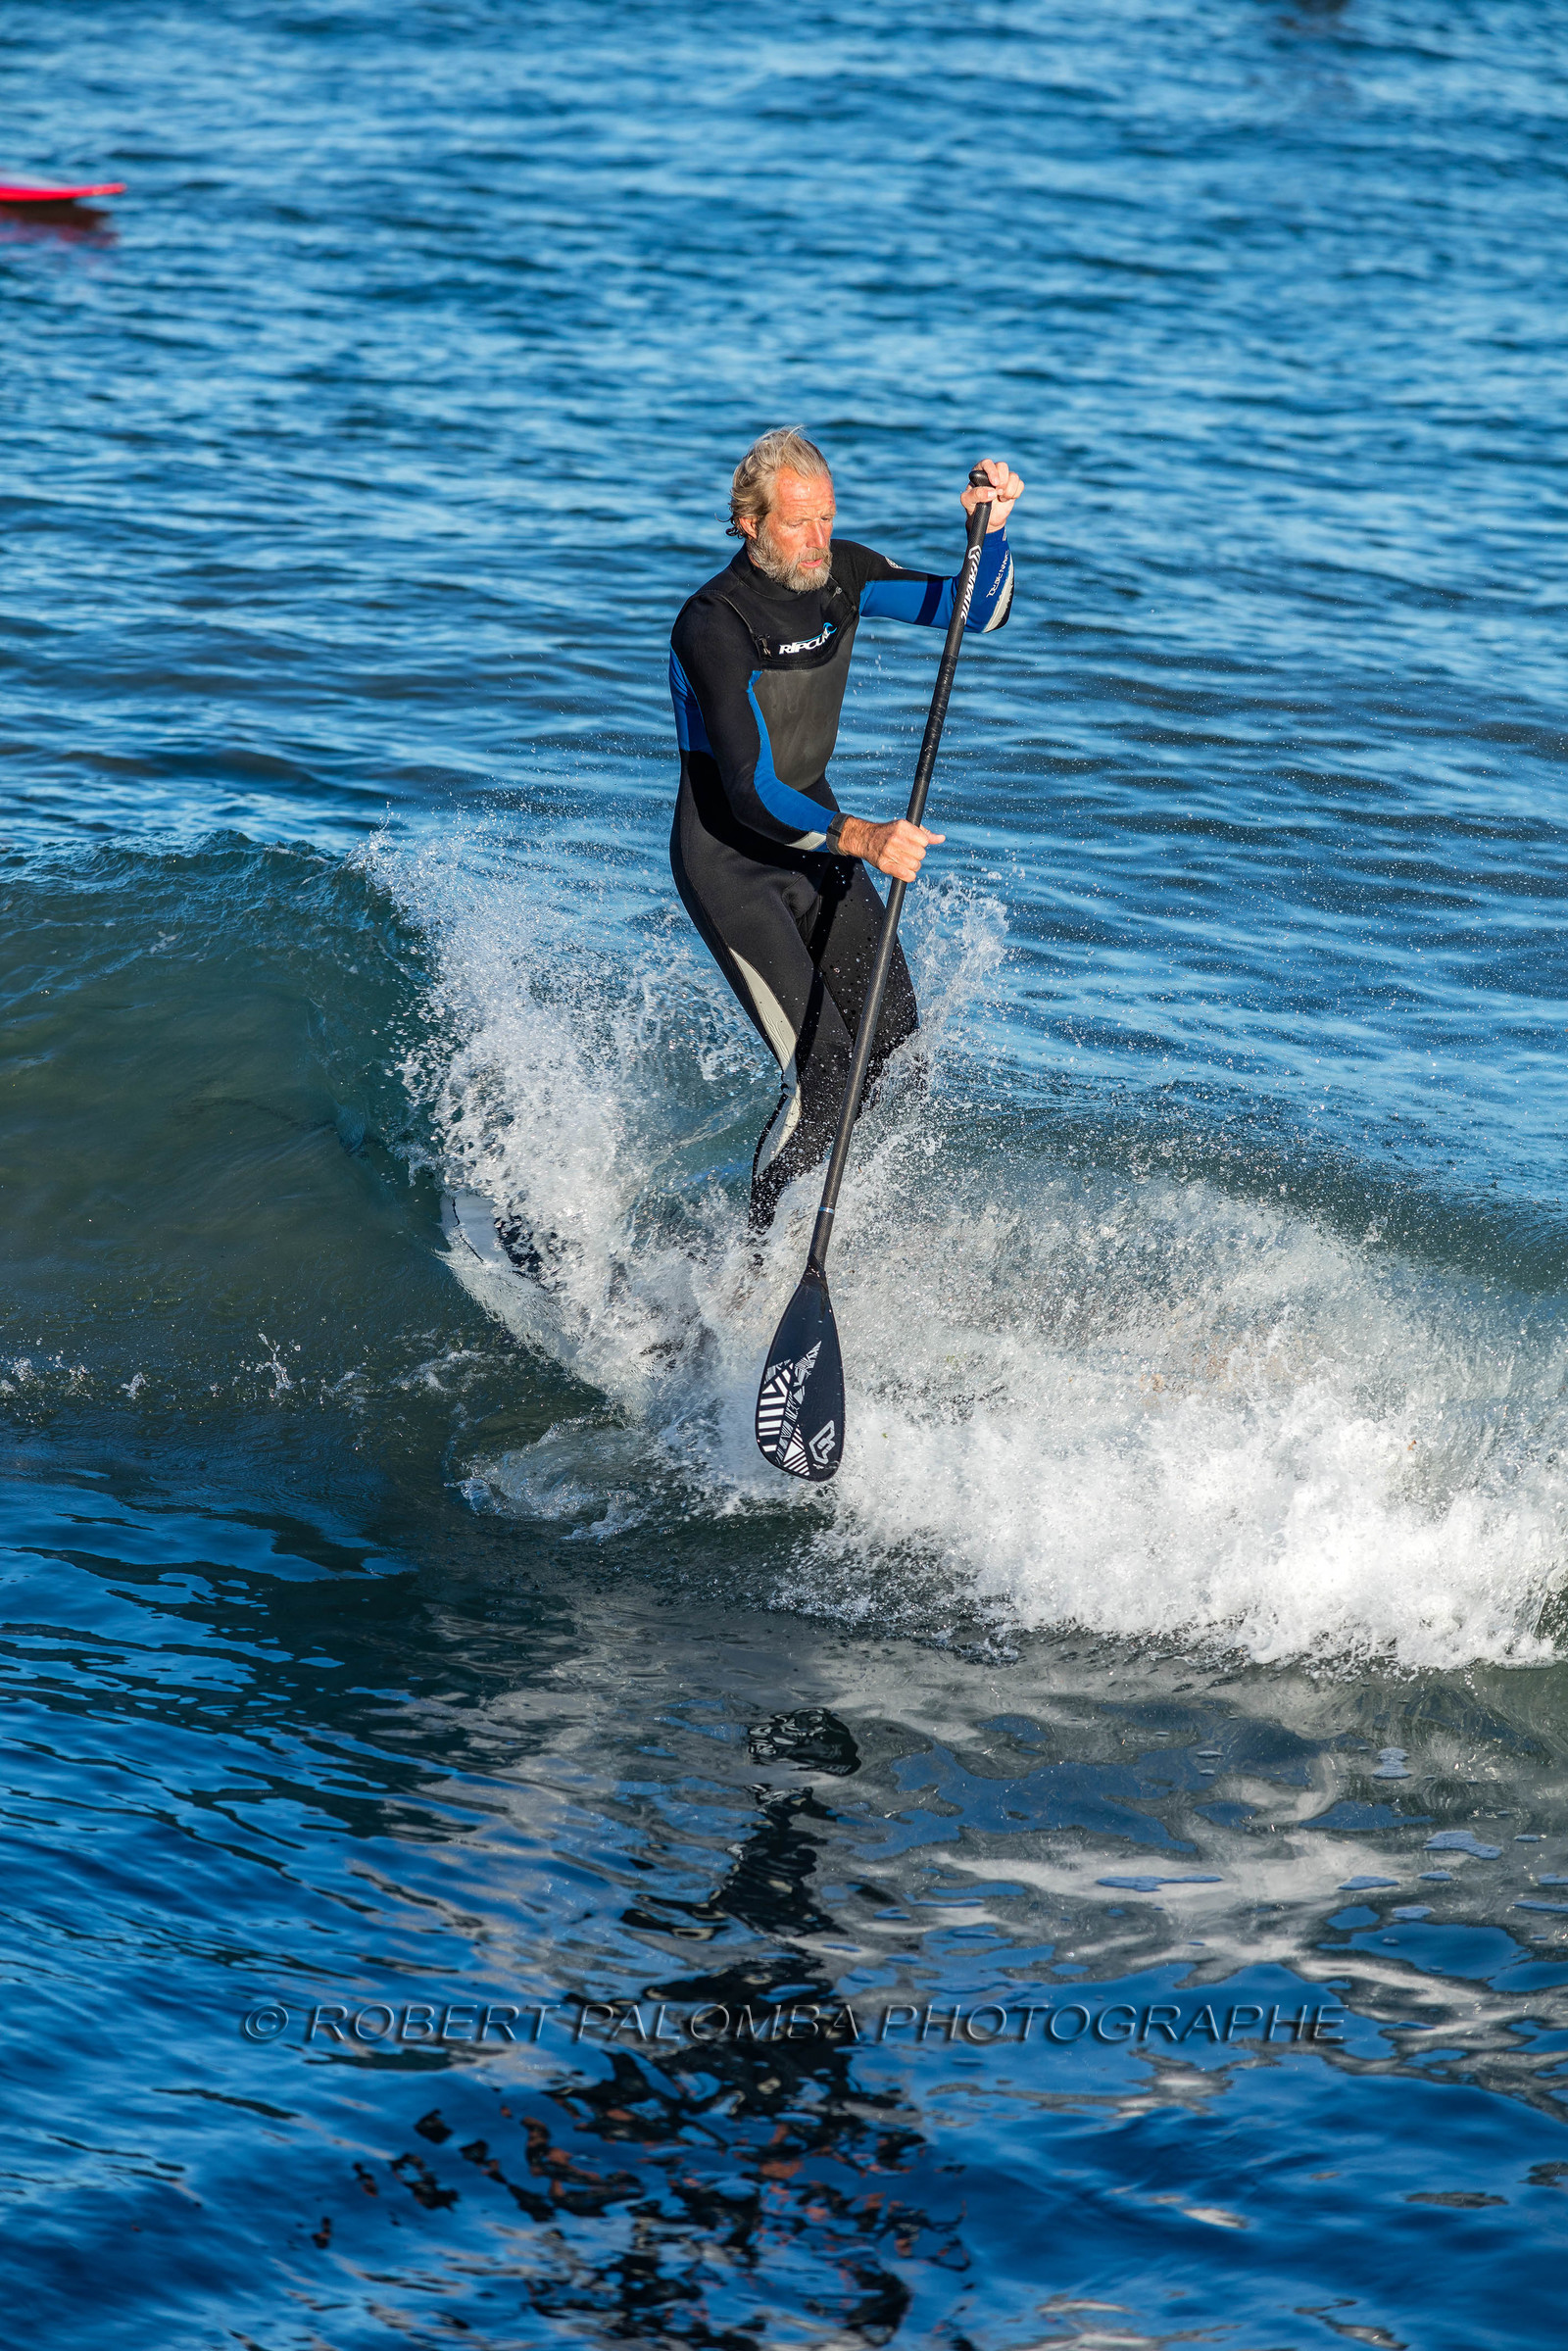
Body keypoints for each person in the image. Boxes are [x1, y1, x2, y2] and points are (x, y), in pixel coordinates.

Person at [668, 428, 1023, 1229]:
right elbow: (749, 788)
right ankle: (749, 1256)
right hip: (732, 863)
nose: (818, 541)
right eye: (799, 524)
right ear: (749, 522)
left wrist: (990, 533)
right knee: (826, 1072)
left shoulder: (843, 574)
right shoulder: (710, 624)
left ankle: (821, 1212)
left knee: (894, 1044)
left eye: (827, 518)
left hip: (818, 844)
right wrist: (863, 838)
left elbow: (977, 611)